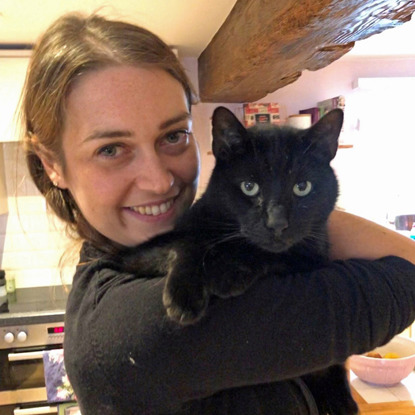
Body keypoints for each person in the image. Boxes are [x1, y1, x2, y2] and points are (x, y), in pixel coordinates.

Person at [20, 12, 415, 415]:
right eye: (110, 149)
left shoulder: (206, 233)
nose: (158, 181)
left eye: (173, 136)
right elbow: (407, 276)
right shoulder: (130, 332)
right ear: (52, 164)